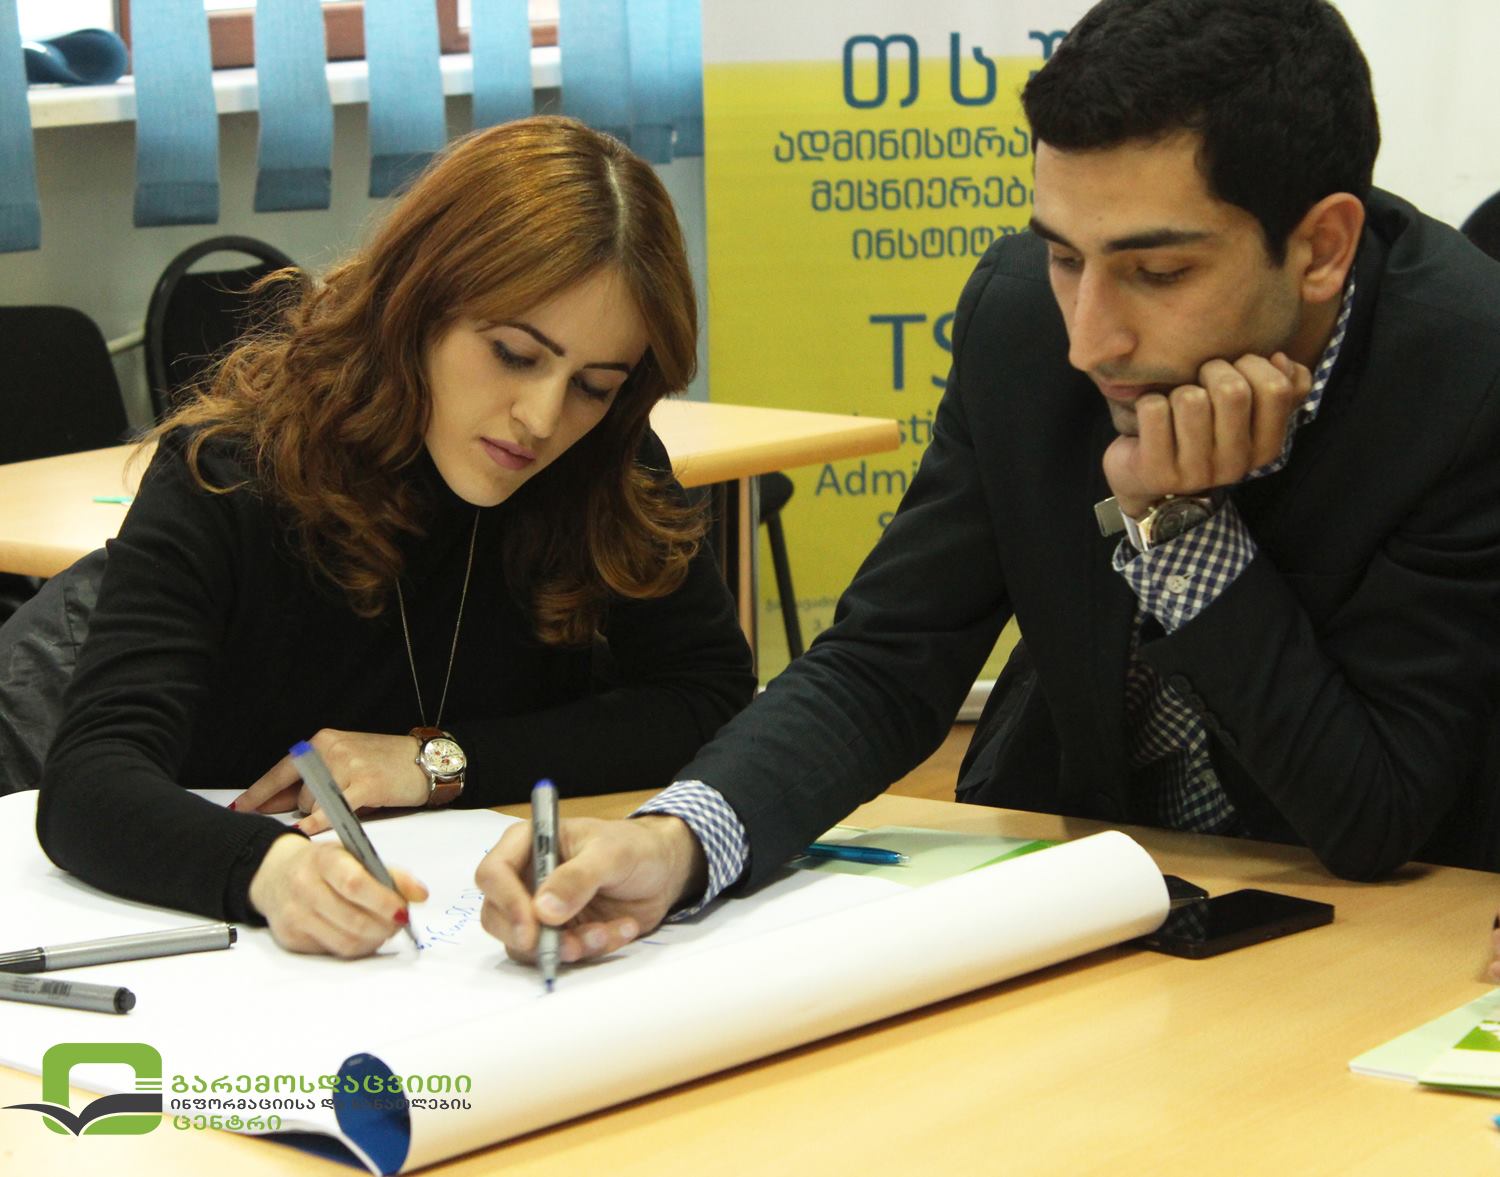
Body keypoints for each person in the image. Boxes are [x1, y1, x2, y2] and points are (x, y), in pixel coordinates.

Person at [473, 0, 1500, 970]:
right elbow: (886, 660)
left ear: (1321, 248)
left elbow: (1371, 811)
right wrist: (678, 840)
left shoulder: (1468, 374)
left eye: (1158, 273)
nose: (1091, 339)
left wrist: (1173, 526)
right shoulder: (1022, 324)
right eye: (1064, 256)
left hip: (1373, 939)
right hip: (1081, 886)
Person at [34, 116, 756, 958]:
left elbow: (707, 696)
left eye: (594, 385)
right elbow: (90, 778)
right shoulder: (235, 471)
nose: (542, 418)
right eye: (514, 354)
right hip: (208, 941)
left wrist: (439, 762)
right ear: (419, 303)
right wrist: (268, 870)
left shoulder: (605, 464)